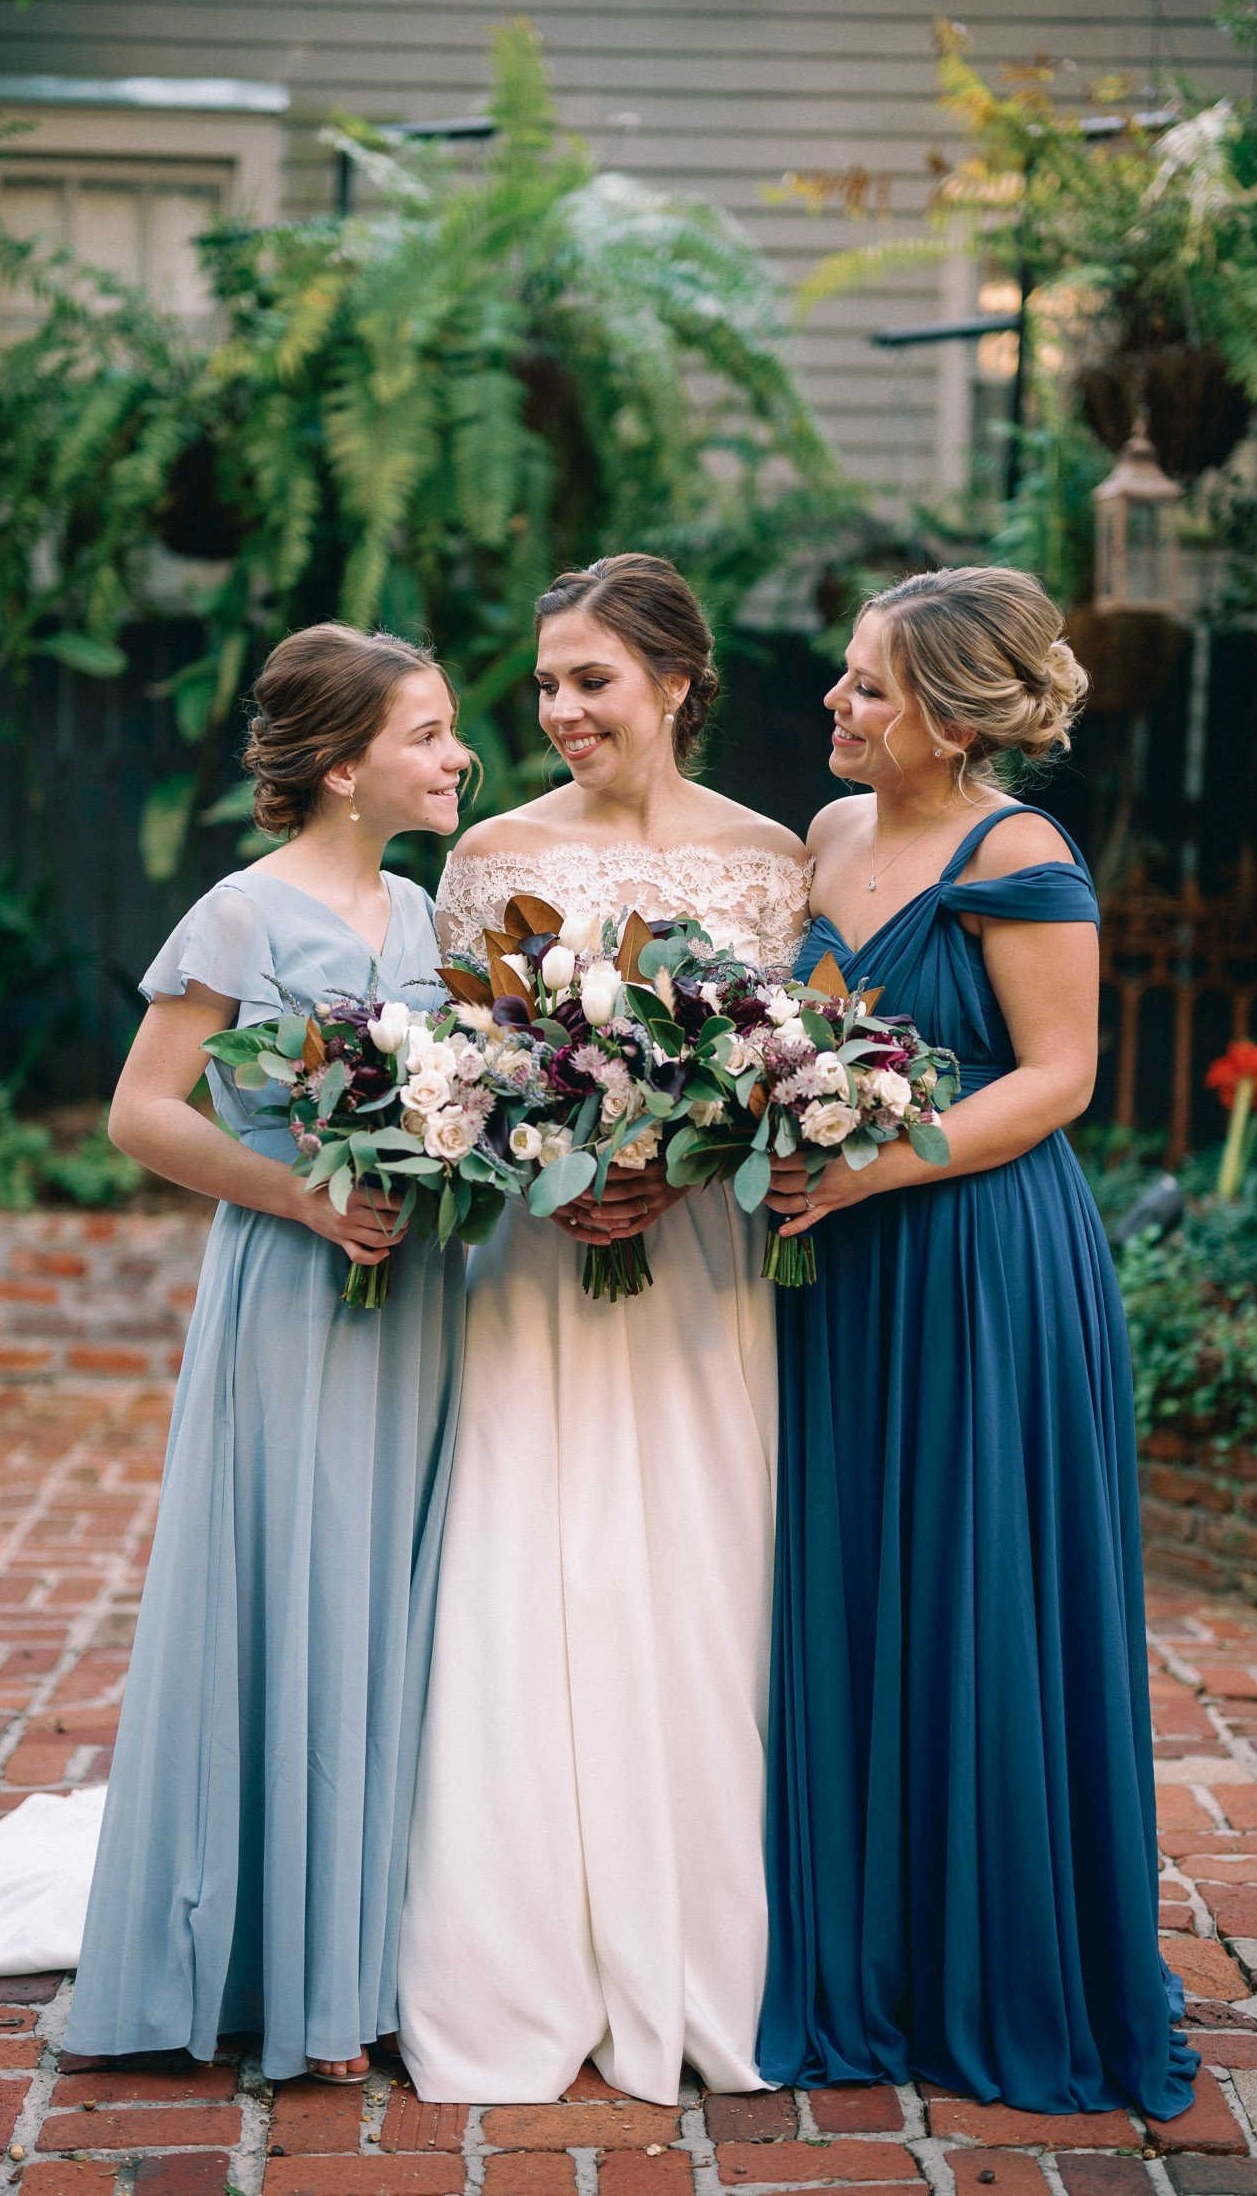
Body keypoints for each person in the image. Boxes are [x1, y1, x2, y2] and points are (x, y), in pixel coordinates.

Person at [756, 565, 1198, 2118]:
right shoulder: (828, 837)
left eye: (867, 687)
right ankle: (865, 1930)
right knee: (855, 1576)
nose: (835, 703)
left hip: (976, 1257)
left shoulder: (1023, 852)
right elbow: (805, 1031)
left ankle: (992, 1957)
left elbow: (1057, 1080)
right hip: (839, 1267)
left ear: (948, 717)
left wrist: (870, 1164)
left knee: (972, 1578)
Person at [397, 553, 810, 2104]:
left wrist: (674, 1157)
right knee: (531, 1567)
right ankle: (512, 1953)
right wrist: (544, 1156)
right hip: (533, 1262)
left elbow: (783, 1068)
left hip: (700, 1271)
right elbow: (448, 1068)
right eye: (547, 682)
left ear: (677, 683)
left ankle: (701, 1943)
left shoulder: (774, 862)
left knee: (700, 1579)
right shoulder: (492, 853)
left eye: (593, 682)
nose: (559, 710)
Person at [64, 625, 473, 2084]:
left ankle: (357, 1953)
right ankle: (272, 1970)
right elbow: (144, 1113)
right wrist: (310, 1194)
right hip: (298, 1296)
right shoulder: (243, 913)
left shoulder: (424, 916)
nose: (456, 755)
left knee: (378, 1600)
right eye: (426, 734)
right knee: (289, 1588)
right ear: (342, 765)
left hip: (419, 1299)